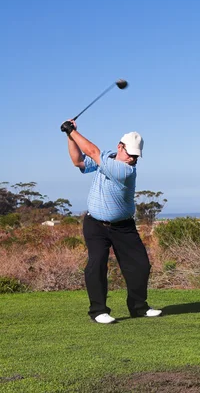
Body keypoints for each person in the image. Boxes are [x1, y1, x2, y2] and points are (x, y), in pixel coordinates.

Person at [62, 119, 161, 324]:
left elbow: (91, 151)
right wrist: (70, 136)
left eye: (136, 157)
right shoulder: (107, 156)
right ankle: (98, 311)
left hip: (123, 225)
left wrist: (72, 130)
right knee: (96, 263)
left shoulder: (125, 171)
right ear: (120, 147)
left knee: (140, 265)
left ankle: (138, 307)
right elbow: (79, 161)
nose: (132, 160)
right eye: (130, 154)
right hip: (95, 223)